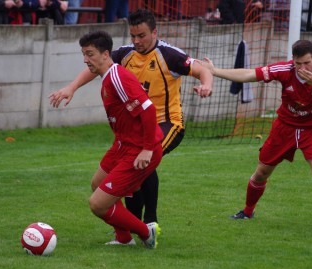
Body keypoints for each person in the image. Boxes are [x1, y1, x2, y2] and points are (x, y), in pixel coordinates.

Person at [48, 9, 213, 225]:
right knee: (134, 167)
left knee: (144, 160)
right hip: (138, 126)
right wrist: (72, 87)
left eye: (141, 35)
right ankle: (133, 222)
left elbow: (202, 70)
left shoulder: (169, 55)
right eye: (133, 36)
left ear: (155, 32)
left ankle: (150, 222)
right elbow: (96, 65)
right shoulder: (125, 54)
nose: (136, 41)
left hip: (167, 122)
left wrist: (206, 85)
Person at [202, 39, 312, 232]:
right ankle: (247, 211)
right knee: (261, 173)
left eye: (306, 63)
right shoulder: (285, 69)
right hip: (285, 128)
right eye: (298, 63)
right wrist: (215, 71)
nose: (302, 67)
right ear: (293, 60)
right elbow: (249, 74)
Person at [49, 30, 164, 248]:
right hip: (123, 145)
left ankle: (145, 232)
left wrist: (147, 149)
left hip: (138, 149)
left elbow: (148, 109)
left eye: (90, 54)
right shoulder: (108, 78)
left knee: (97, 205)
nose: (86, 59)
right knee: (97, 184)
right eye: (84, 54)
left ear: (105, 54)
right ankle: (124, 239)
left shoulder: (117, 77)